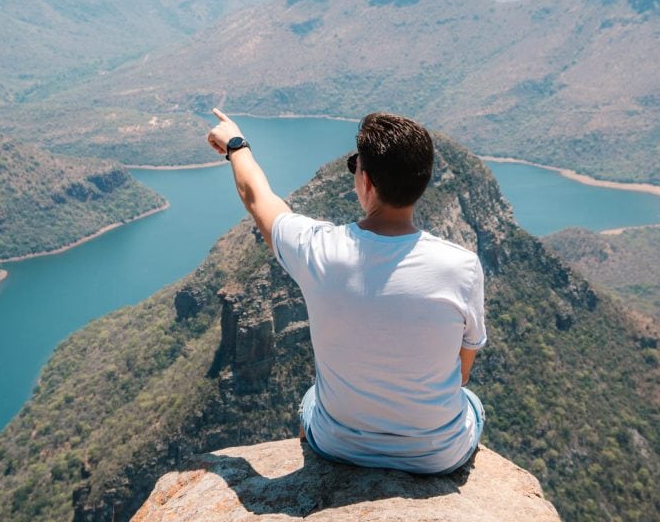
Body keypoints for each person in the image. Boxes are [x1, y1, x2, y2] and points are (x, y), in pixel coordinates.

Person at [206, 108, 486, 475]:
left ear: (366, 181)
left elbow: (257, 197)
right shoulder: (461, 266)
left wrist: (236, 146)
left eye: (355, 164)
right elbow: (462, 371)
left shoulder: (318, 250)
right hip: (437, 456)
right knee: (472, 402)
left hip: (337, 445)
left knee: (311, 398)